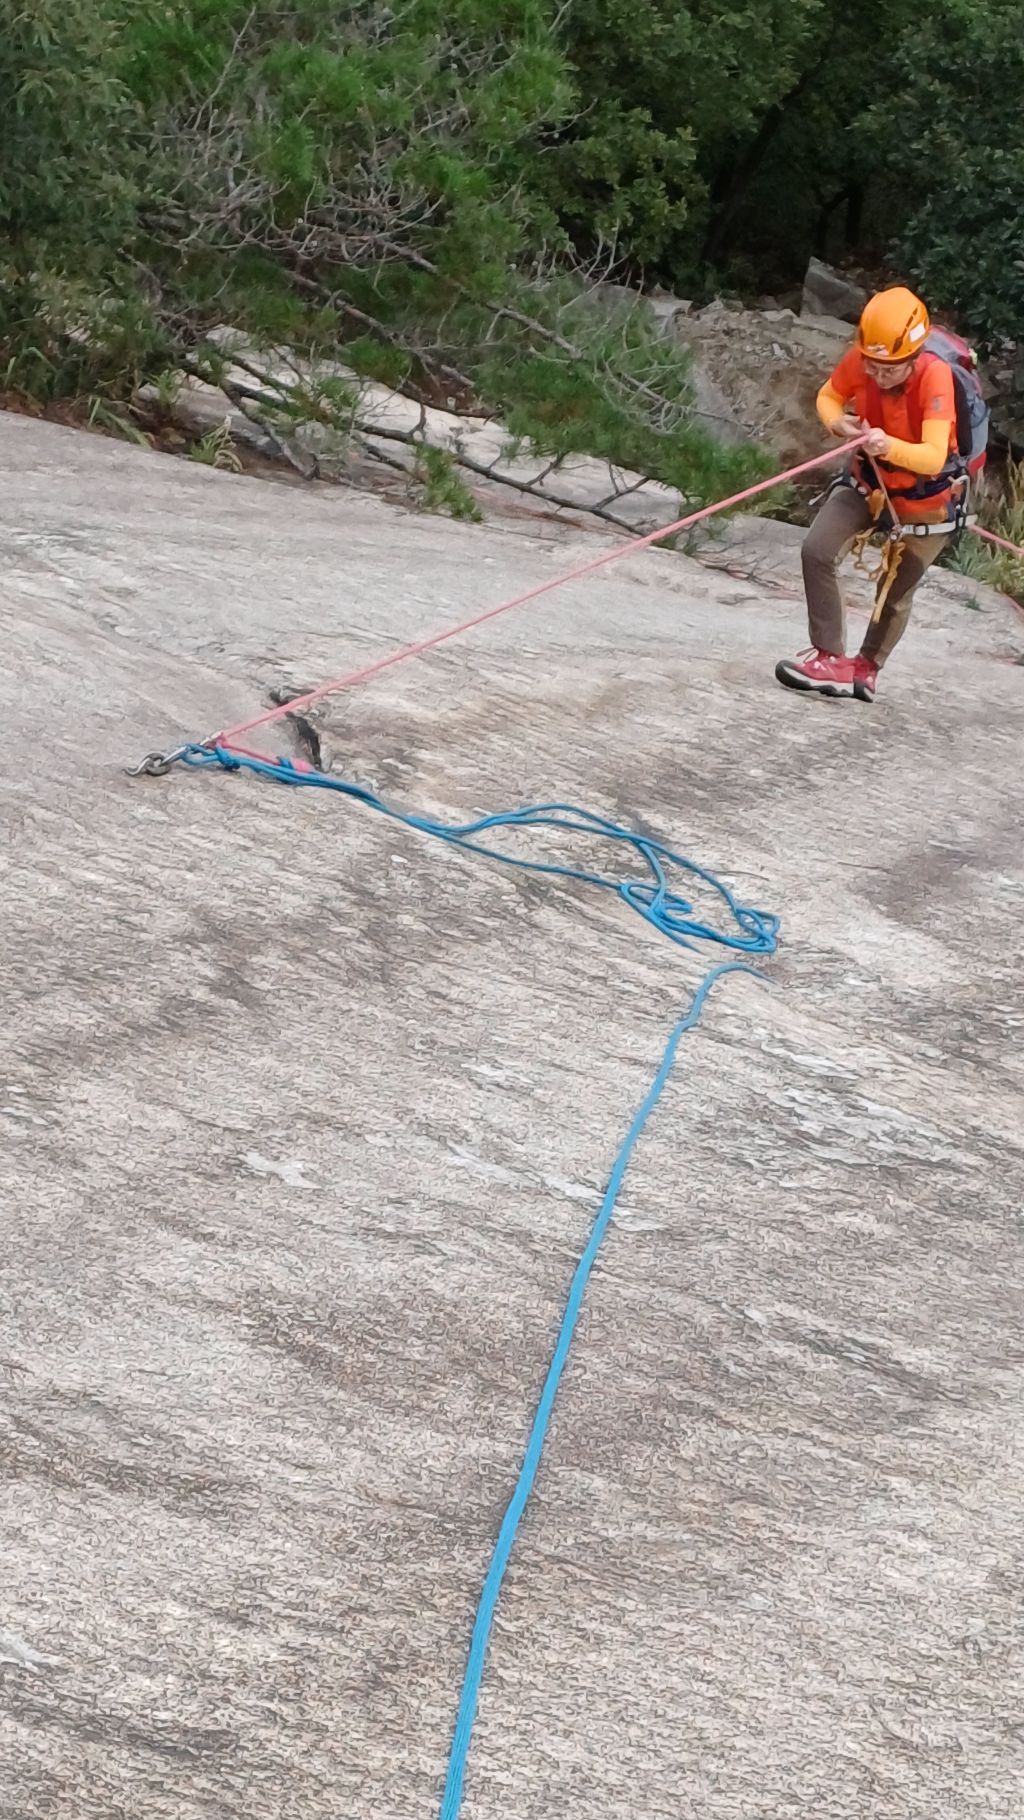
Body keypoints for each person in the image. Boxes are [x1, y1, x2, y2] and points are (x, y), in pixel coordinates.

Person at [776, 285, 960, 703]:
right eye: (872, 366)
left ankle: (866, 667)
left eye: (889, 369)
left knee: (895, 592)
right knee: (817, 551)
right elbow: (829, 396)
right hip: (868, 483)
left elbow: (933, 456)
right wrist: (837, 422)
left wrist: (887, 446)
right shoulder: (864, 360)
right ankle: (828, 656)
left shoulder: (935, 377)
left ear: (913, 356)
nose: (877, 375)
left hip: (925, 501)